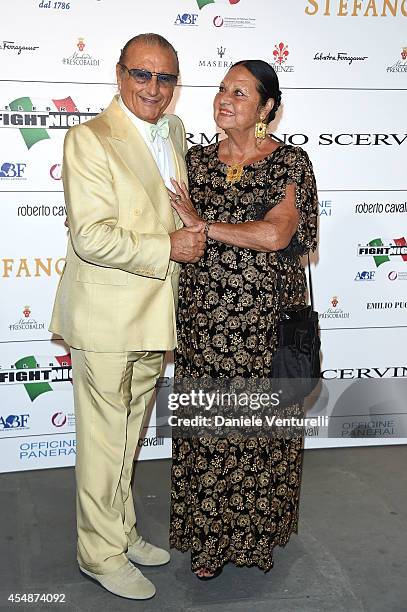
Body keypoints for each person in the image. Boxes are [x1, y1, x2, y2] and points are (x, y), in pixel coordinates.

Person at [49, 33, 205, 600]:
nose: (154, 89)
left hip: (153, 312)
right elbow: (91, 237)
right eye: (143, 75)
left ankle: (121, 529)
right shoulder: (88, 139)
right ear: (119, 75)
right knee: (102, 440)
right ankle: (98, 552)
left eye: (166, 79)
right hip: (107, 315)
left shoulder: (175, 131)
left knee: (129, 436)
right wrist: (171, 246)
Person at [168, 60, 318, 578]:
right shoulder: (194, 161)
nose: (224, 98)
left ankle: (254, 537)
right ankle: (210, 540)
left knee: (257, 431)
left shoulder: (289, 163)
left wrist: (205, 226)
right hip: (203, 322)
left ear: (267, 108)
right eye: (221, 89)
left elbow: (277, 235)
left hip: (264, 326)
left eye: (240, 91)